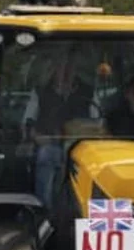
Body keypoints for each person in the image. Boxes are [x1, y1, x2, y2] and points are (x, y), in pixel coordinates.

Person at [22, 52, 94, 209]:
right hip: (50, 144)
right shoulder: (41, 92)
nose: (66, 71)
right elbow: (27, 123)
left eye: (70, 67)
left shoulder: (89, 92)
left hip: (81, 147)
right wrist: (37, 137)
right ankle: (44, 211)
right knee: (46, 154)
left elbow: (98, 123)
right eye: (62, 66)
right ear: (55, 68)